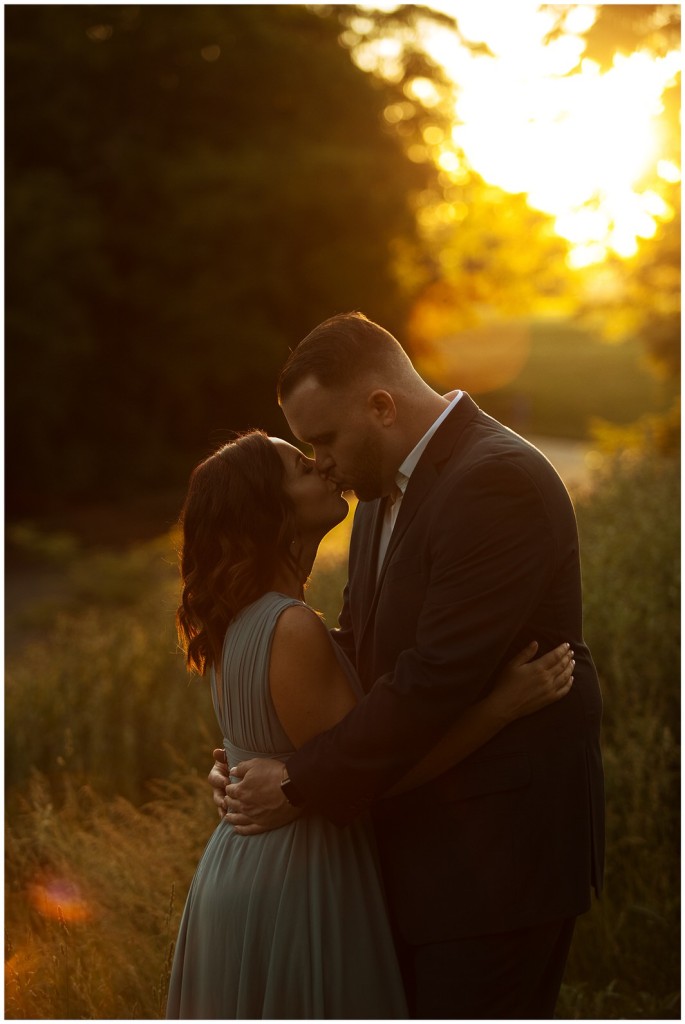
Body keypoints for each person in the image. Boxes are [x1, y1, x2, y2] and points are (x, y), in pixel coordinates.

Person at [214, 312, 605, 1020]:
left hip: (494, 867)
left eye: (324, 440)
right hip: (413, 854)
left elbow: (429, 682)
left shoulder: (497, 481)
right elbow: (363, 651)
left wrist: (297, 781)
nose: (321, 461)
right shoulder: (376, 493)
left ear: (382, 406)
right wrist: (257, 750)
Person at [167, 429, 575, 1020]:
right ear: (272, 511)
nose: (325, 470)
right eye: (303, 467)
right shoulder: (291, 627)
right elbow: (379, 775)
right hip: (295, 881)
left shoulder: (238, 624)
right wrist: (503, 705)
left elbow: (277, 744)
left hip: (245, 869)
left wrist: (239, 771)